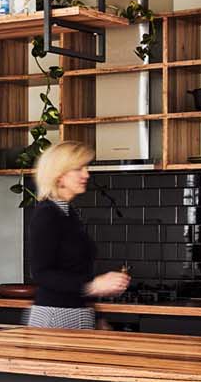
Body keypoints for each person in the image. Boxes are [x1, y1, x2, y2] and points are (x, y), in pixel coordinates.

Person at [23, 141, 131, 329]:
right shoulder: (47, 214)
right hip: (55, 316)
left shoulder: (68, 213)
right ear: (59, 175)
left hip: (77, 312)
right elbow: (41, 273)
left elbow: (75, 270)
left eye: (86, 167)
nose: (86, 174)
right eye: (79, 168)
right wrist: (93, 285)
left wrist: (98, 317)